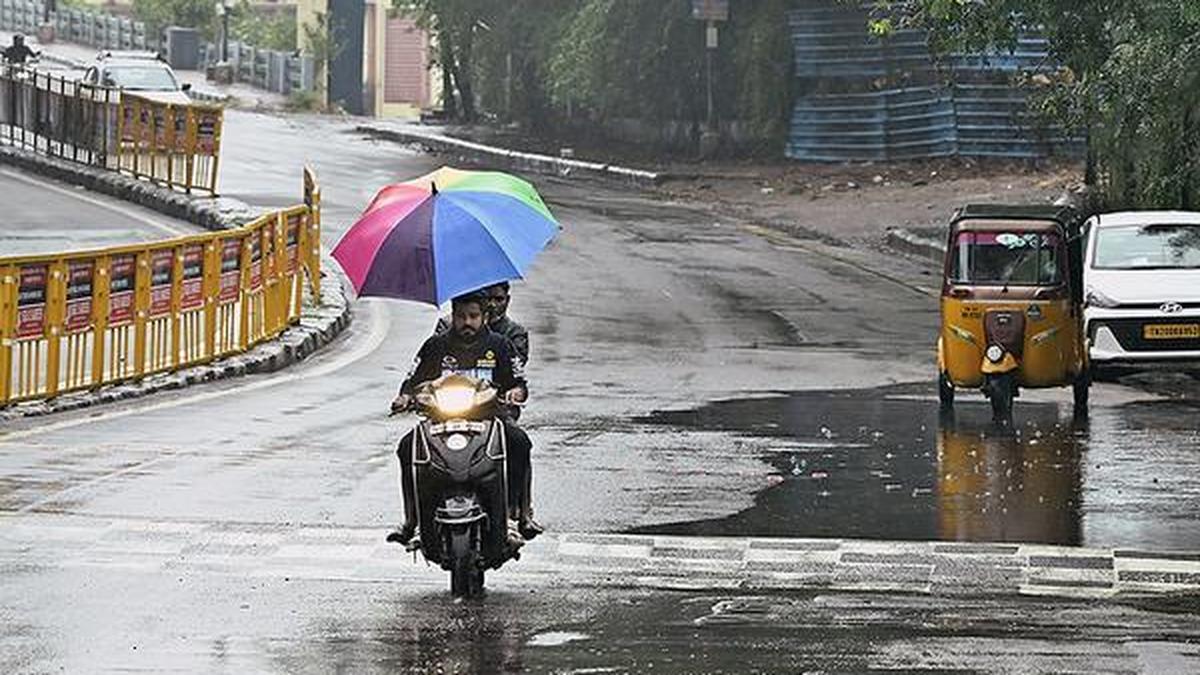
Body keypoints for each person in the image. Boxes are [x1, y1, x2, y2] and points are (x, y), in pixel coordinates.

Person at [389, 291, 541, 545]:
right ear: (453, 315)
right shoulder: (435, 345)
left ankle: (518, 515)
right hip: (441, 419)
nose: (467, 322)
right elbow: (412, 380)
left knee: (520, 442)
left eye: (473, 316)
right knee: (407, 447)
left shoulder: (500, 345)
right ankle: (412, 521)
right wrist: (404, 397)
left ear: (484, 317)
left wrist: (516, 392)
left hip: (489, 417)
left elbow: (518, 382)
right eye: (461, 316)